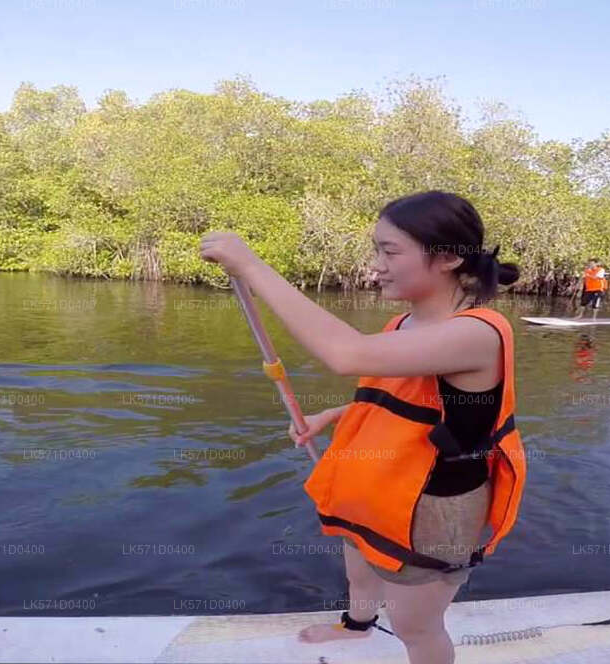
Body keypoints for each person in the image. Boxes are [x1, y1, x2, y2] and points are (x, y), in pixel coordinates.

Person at [199, 190, 525, 664]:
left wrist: (251, 266)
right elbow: (411, 409)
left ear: (449, 257)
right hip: (378, 479)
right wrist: (331, 417)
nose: (377, 264)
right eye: (377, 249)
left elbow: (345, 354)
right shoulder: (403, 324)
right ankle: (357, 625)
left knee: (417, 625)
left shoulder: (476, 333)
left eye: (390, 252)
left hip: (430, 505)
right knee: (360, 564)